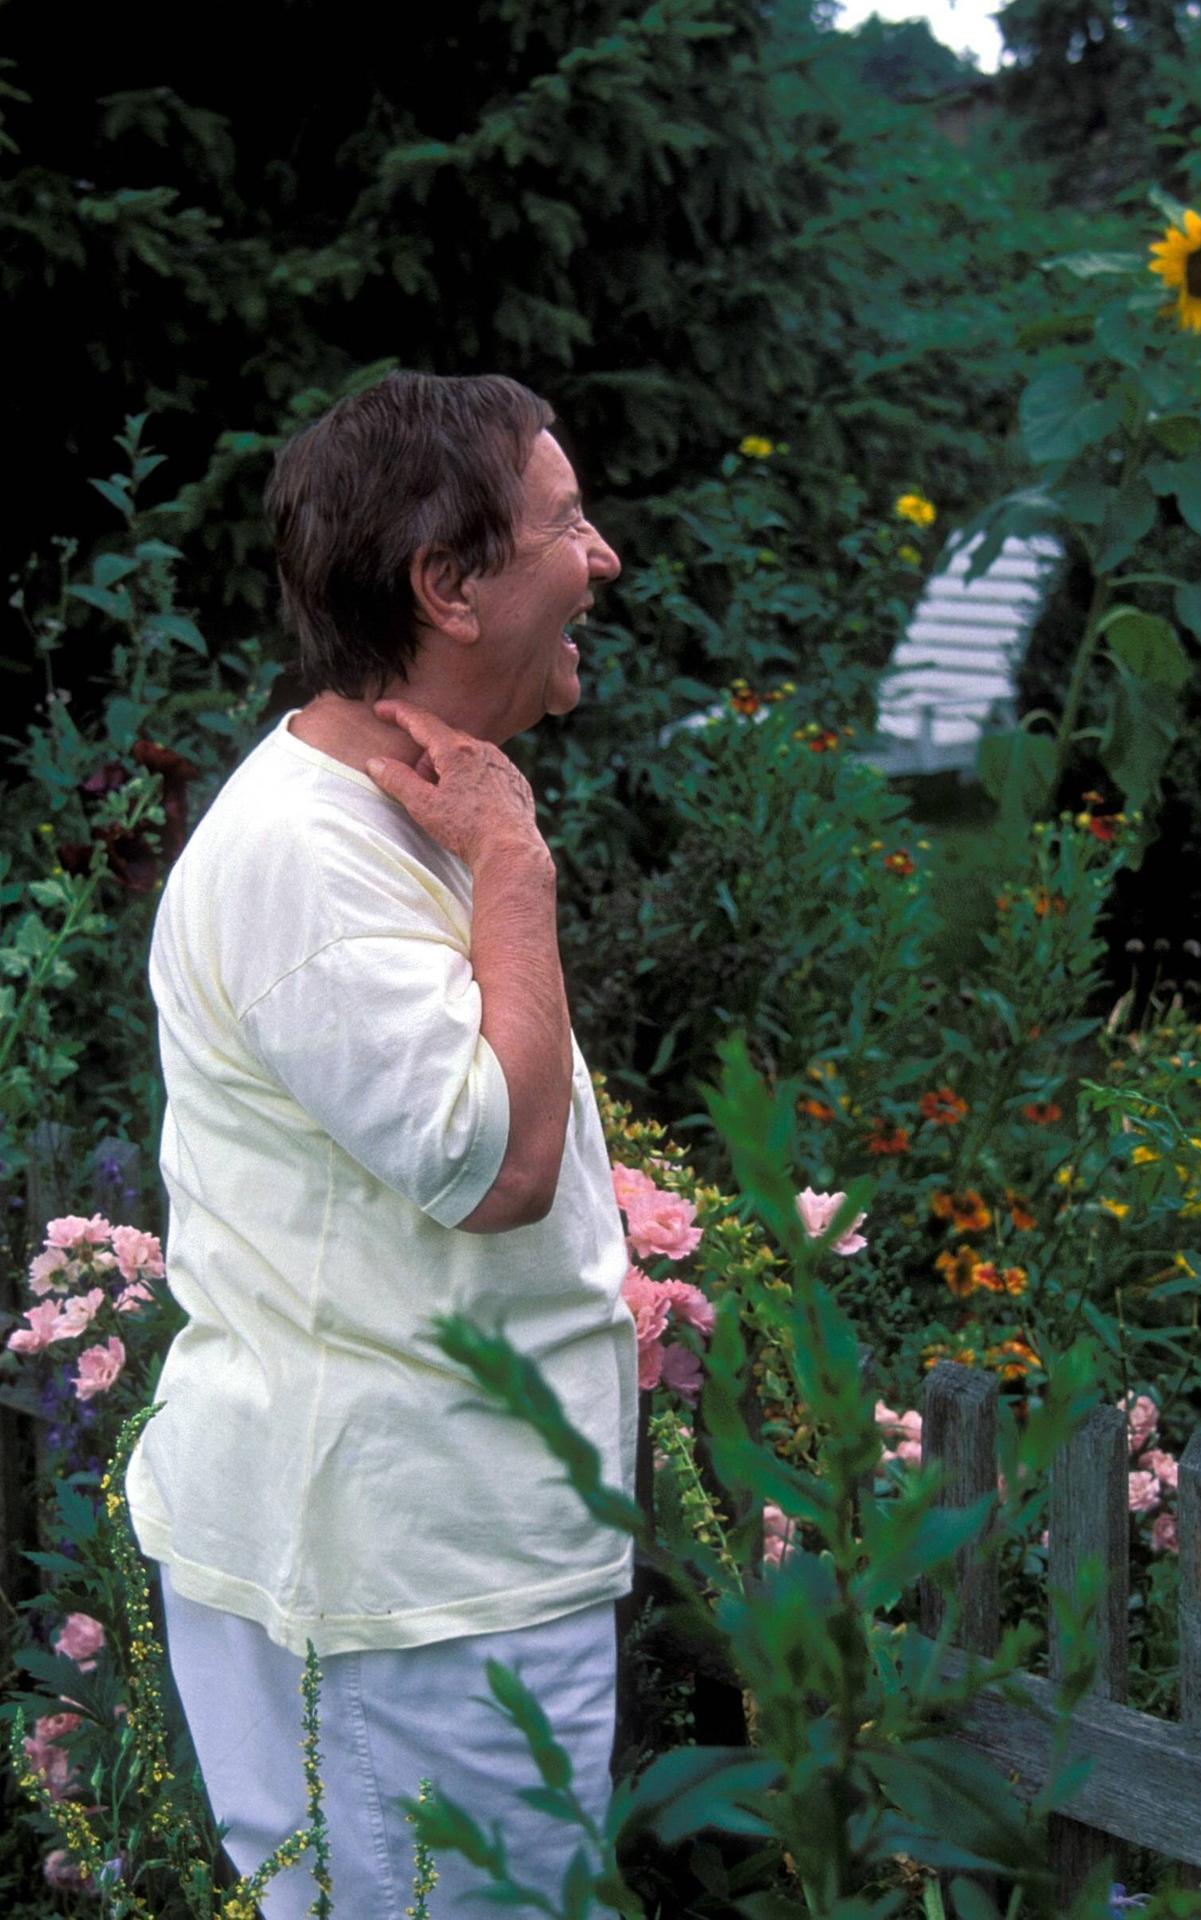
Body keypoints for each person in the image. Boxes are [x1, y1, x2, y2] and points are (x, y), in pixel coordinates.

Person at [127, 371, 634, 1916]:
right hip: (394, 1589)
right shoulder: (308, 855)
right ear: (447, 587)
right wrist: (518, 872)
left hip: (437, 1561)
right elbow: (496, 1171)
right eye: (561, 521)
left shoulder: (390, 822)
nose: (601, 556)